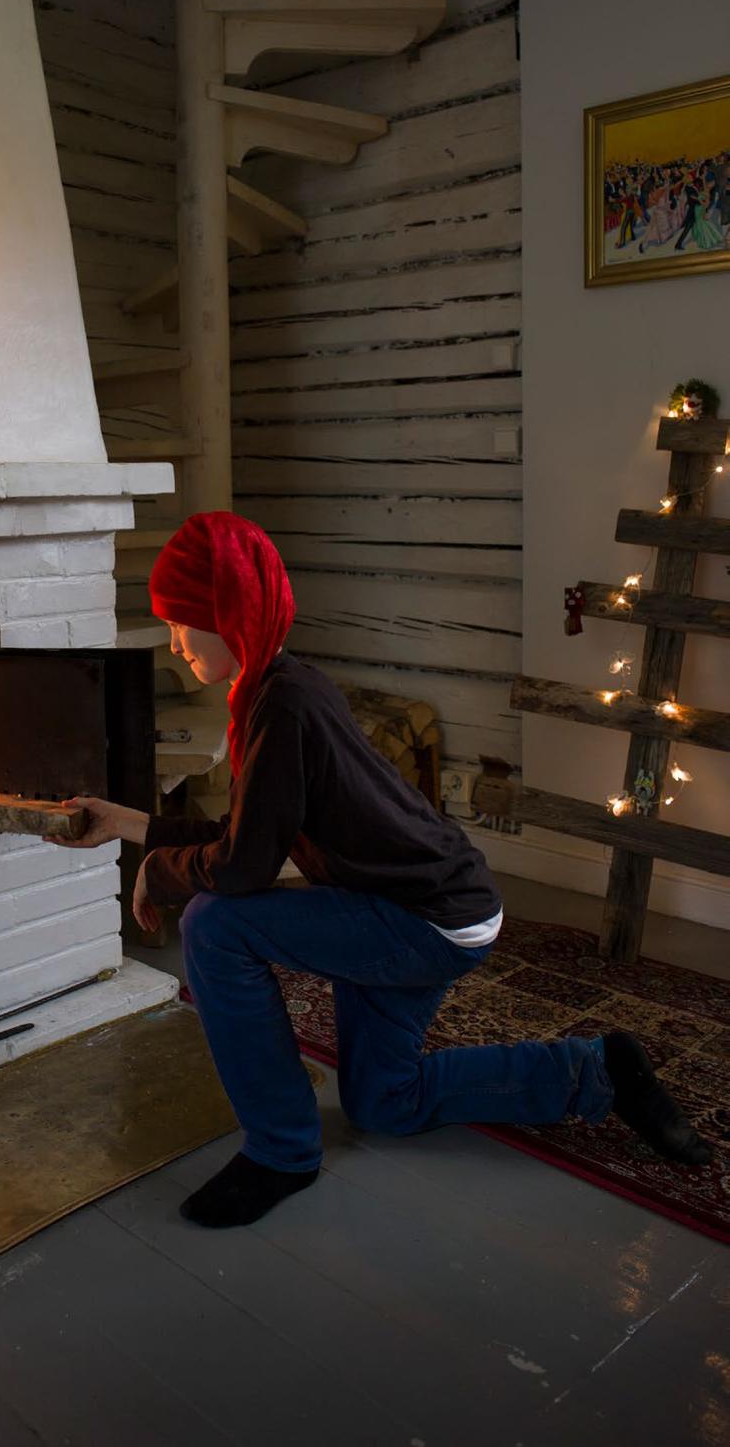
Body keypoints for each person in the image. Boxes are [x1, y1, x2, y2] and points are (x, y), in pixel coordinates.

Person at [49, 512, 714, 1229]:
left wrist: (165, 874)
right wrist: (127, 824)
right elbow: (240, 835)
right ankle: (598, 1070)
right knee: (382, 1101)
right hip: (420, 900)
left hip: (427, 917)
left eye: (181, 620)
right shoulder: (277, 689)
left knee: (213, 923)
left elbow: (240, 867)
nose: (174, 641)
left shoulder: (284, 705)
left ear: (225, 611)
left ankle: (280, 1149)